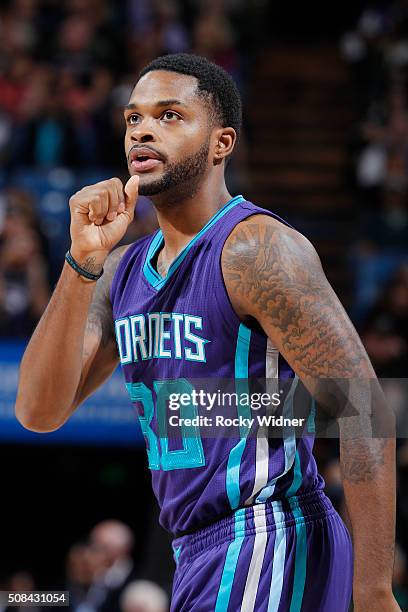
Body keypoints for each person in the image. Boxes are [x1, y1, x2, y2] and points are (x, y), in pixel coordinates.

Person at [15, 53, 399, 611]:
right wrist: (81, 262)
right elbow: (38, 411)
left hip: (269, 535)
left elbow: (363, 408)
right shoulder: (120, 271)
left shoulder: (255, 250)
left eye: (170, 115)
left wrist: (372, 590)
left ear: (221, 143)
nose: (143, 129)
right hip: (197, 550)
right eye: (133, 118)